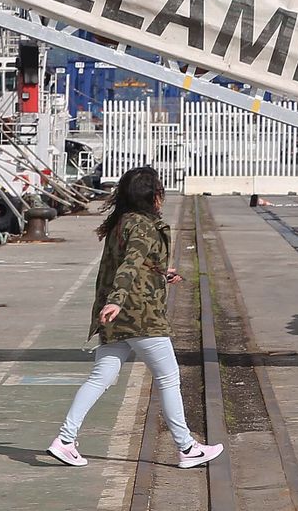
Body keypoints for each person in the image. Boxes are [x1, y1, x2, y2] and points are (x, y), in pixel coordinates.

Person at [48, 166, 223, 470]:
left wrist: (159, 273)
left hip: (117, 314)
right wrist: (118, 300)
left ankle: (65, 440)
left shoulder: (121, 222)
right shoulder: (143, 225)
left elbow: (129, 264)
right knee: (168, 377)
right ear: (153, 195)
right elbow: (129, 265)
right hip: (140, 314)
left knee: (101, 377)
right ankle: (186, 448)